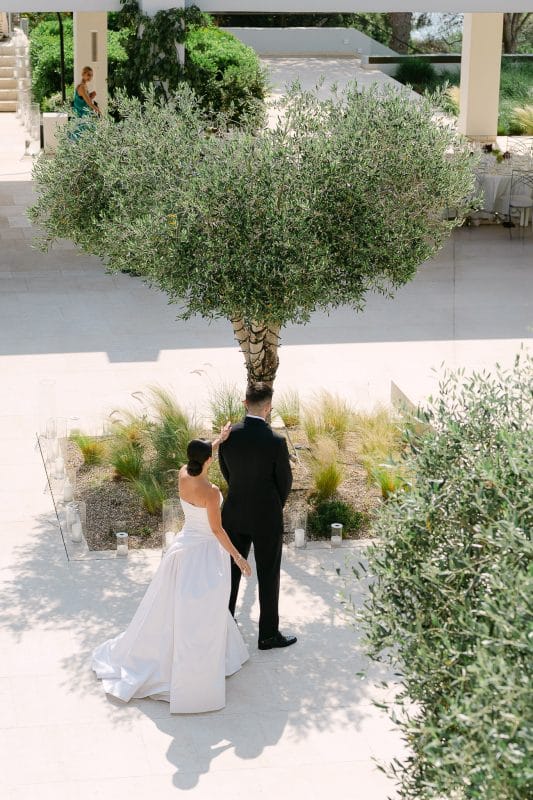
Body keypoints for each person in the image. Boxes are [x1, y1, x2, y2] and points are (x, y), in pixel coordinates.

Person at [92, 425, 252, 714]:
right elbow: (217, 530)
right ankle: (202, 661)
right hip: (205, 552)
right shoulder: (211, 492)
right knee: (207, 607)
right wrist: (238, 557)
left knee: (172, 605)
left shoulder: (183, 473)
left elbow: (202, 458)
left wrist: (218, 440)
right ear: (209, 460)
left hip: (183, 547)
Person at [219, 382, 297, 650]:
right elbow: (285, 481)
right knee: (268, 573)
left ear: (245, 403)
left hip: (234, 513)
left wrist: (239, 492)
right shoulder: (276, 441)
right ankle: (267, 635)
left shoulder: (228, 436)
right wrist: (274, 505)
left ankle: (225, 627)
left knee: (230, 572)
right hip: (266, 516)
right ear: (268, 407)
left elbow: (226, 472)